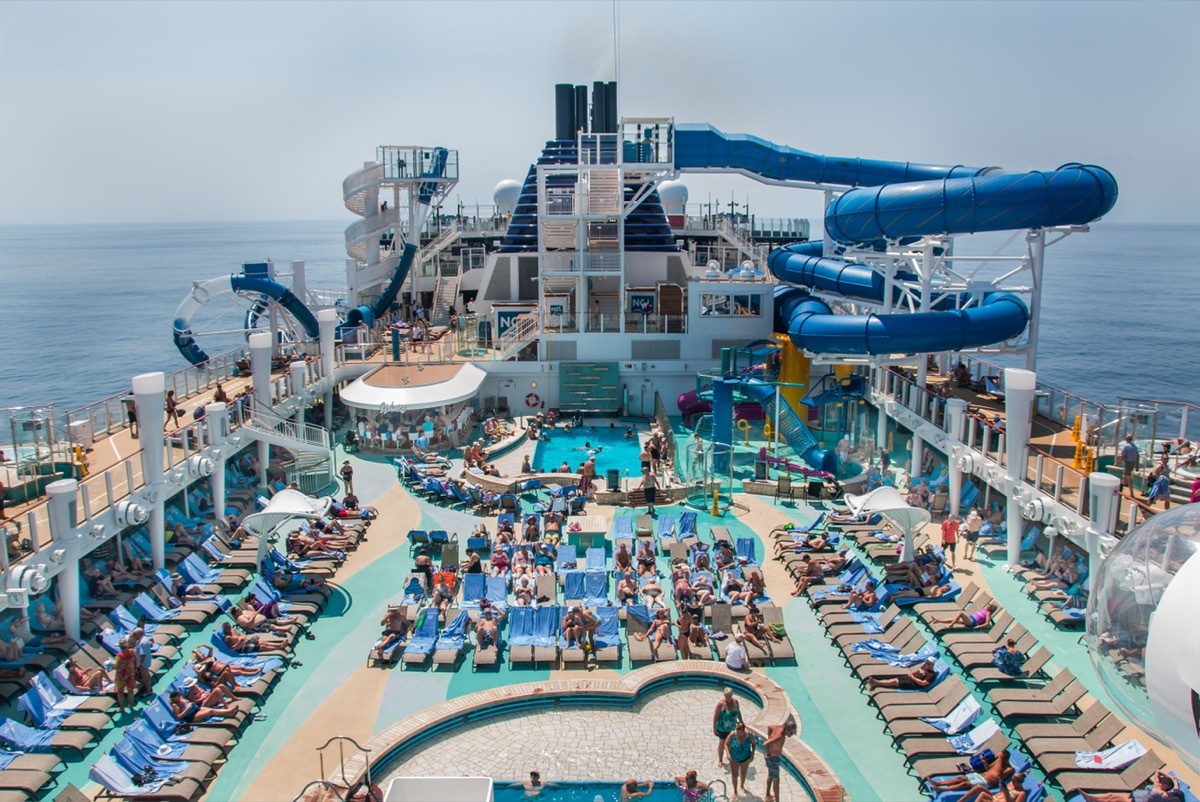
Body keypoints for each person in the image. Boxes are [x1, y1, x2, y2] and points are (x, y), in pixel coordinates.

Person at [930, 749, 1014, 795]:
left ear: (1003, 758)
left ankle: (941, 789)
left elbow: (998, 775)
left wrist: (999, 759)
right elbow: (989, 769)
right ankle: (939, 783)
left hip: (986, 782)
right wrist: (984, 761)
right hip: (980, 775)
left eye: (1000, 756)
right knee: (960, 778)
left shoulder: (1009, 769)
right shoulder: (997, 762)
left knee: (964, 784)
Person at [1080, 770, 1183, 802]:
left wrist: (1175, 785)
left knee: (1112, 797)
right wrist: (1170, 777)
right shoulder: (1156, 785)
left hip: (1135, 801)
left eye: (1163, 782)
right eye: (1161, 780)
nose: (1160, 781)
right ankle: (1090, 797)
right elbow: (1157, 772)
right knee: (1111, 796)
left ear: (1167, 786)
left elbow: (1176, 793)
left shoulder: (1162, 794)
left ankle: (1091, 798)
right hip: (1133, 795)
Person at [762, 714, 797, 802]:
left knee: (770, 775)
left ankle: (767, 795)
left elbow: (769, 727)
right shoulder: (780, 736)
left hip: (771, 757)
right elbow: (765, 744)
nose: (792, 735)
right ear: (786, 729)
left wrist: (769, 737)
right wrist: (769, 753)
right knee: (776, 780)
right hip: (773, 758)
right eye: (791, 733)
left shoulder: (777, 728)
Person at [168, 689, 238, 725]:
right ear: (174, 698)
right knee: (211, 712)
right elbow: (179, 717)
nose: (179, 697)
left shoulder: (181, 699)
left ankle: (229, 714)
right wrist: (188, 708)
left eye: (179, 695)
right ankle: (229, 711)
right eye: (178, 696)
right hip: (192, 716)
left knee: (212, 710)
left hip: (196, 708)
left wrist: (192, 703)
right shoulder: (175, 705)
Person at [726, 720, 756, 798]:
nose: (738, 734)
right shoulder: (732, 734)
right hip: (734, 758)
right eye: (737, 731)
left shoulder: (749, 735)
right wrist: (728, 754)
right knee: (734, 774)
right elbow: (726, 744)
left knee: (743, 772)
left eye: (739, 732)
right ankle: (735, 791)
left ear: (743, 731)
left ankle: (742, 785)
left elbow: (753, 744)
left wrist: (752, 754)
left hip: (745, 758)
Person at [866, 657, 938, 690]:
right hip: (911, 678)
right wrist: (912, 674)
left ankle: (875, 682)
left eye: (928, 663)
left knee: (895, 682)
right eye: (926, 662)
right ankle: (874, 683)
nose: (926, 664)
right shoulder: (925, 666)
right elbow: (918, 671)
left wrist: (913, 678)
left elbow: (923, 683)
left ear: (932, 665)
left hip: (915, 684)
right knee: (894, 679)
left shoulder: (931, 675)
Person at [113, 637, 137, 713]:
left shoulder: (119, 656)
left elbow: (116, 667)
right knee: (130, 690)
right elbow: (135, 661)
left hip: (121, 676)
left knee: (120, 692)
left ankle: (122, 708)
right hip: (130, 673)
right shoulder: (132, 652)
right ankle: (131, 705)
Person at [933, 601, 998, 630]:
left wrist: (979, 626)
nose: (988, 605)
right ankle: (938, 620)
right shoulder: (984, 609)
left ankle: (950, 625)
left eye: (989, 605)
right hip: (970, 618)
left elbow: (987, 623)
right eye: (989, 604)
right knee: (954, 619)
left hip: (973, 622)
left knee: (960, 613)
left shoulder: (988, 613)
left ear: (991, 607)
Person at [129, 628, 154, 697]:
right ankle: (149, 688)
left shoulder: (142, 642)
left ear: (139, 634)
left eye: (135, 635)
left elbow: (143, 654)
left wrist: (140, 663)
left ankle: (148, 691)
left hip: (143, 663)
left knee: (145, 678)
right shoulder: (145, 639)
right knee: (147, 676)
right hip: (146, 661)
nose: (134, 636)